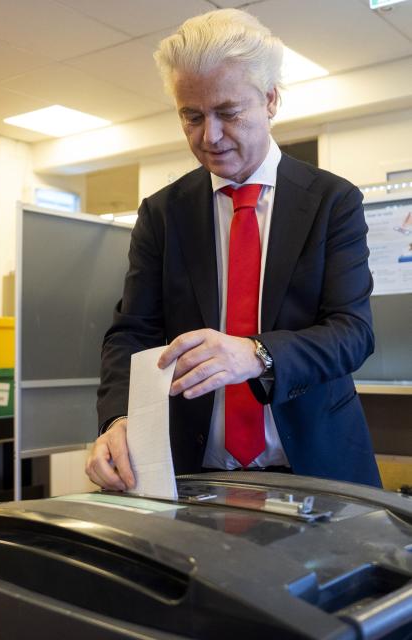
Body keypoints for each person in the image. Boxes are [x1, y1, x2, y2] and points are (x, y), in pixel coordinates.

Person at [86, 8, 381, 491]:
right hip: (193, 473)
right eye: (192, 116)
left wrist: (257, 353)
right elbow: (131, 335)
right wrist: (118, 420)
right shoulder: (163, 214)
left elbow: (352, 333)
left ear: (270, 100)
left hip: (315, 466)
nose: (210, 137)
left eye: (227, 112)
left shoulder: (333, 201)